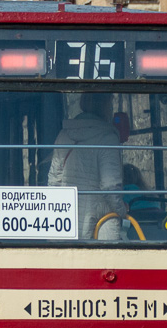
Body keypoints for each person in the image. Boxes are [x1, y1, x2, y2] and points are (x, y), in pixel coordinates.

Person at [47, 93, 124, 241]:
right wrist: (121, 211)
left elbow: (53, 182)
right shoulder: (107, 138)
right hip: (100, 224)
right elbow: (109, 186)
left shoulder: (63, 135)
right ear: (105, 106)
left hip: (65, 223)